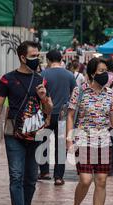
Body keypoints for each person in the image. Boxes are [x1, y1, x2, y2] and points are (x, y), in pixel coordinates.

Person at [0, 41, 53, 205]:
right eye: (33, 56)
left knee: (31, 178)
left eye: (38, 56)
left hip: (36, 135)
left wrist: (43, 97)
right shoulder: (8, 80)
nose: (37, 59)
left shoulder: (42, 80)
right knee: (16, 175)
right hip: (13, 134)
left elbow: (49, 110)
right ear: (22, 57)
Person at [66, 58, 113, 205]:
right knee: (85, 179)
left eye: (106, 70)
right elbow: (70, 116)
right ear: (91, 73)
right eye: (100, 70)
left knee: (102, 181)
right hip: (83, 140)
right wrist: (69, 138)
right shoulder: (80, 91)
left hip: (104, 142)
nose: (104, 74)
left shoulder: (110, 94)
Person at [38, 50, 77, 185]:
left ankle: (44, 171)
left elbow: (39, 94)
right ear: (61, 60)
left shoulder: (43, 74)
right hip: (63, 115)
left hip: (46, 114)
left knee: (43, 142)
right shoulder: (70, 75)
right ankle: (59, 177)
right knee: (61, 146)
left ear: (48, 60)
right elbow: (75, 94)